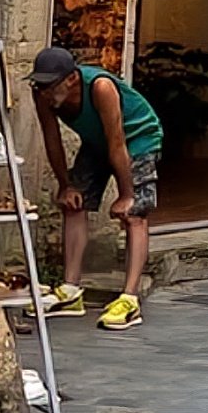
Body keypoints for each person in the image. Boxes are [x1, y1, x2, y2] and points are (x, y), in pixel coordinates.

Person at [30, 46, 164, 331]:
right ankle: (70, 291)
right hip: (97, 142)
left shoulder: (101, 87)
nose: (44, 93)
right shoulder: (42, 94)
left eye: (49, 86)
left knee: (135, 213)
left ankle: (130, 299)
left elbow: (117, 142)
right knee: (73, 203)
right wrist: (66, 185)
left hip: (137, 139)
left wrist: (126, 194)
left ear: (71, 80)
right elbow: (51, 139)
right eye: (39, 85)